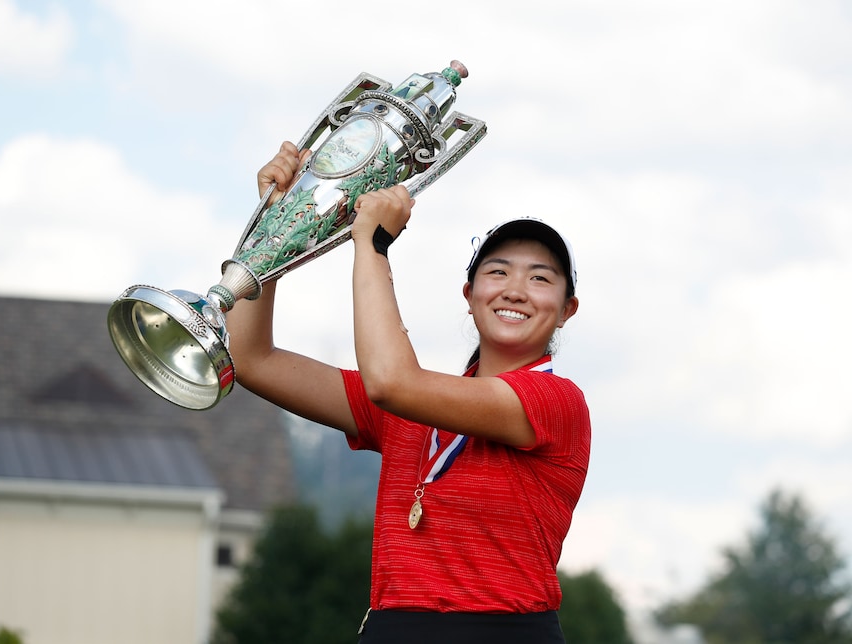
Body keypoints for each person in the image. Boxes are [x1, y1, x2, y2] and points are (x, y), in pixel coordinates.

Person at [226, 141, 591, 644]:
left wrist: (372, 246)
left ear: (567, 308)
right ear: (470, 297)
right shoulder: (411, 408)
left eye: (540, 278)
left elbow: (392, 382)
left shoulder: (557, 403)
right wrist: (273, 224)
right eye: (498, 271)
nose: (515, 289)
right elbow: (251, 359)